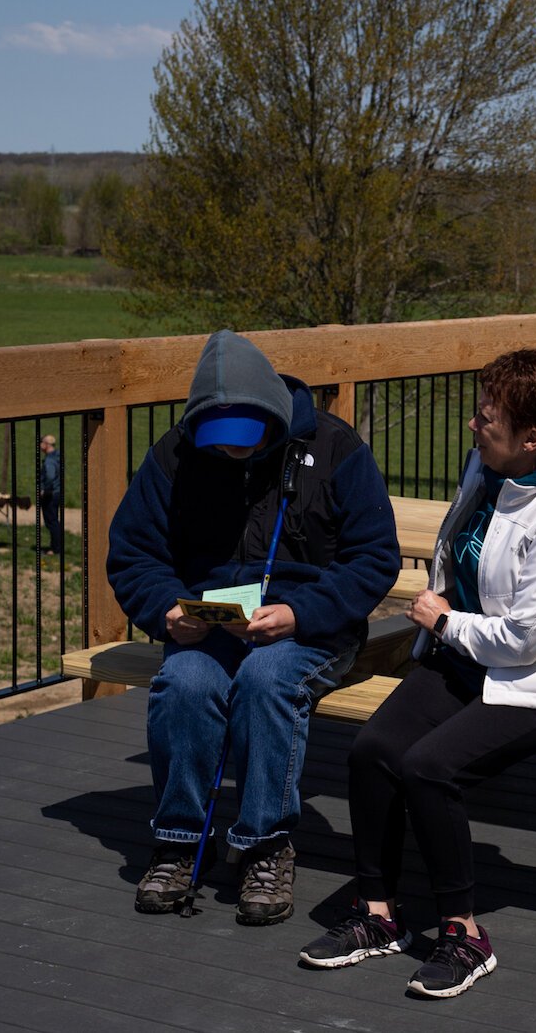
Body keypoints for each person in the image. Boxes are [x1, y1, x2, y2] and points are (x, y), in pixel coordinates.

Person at [299, 347, 536, 1001]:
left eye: (487, 421)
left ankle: (463, 935)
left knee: (428, 767)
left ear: (532, 439)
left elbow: (528, 641)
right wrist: (448, 624)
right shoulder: (491, 468)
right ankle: (378, 915)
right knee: (373, 753)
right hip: (467, 659)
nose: (473, 428)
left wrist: (444, 624)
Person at [107, 329, 400, 925]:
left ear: (273, 413)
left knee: (268, 679)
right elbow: (133, 553)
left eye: (245, 439)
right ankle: (178, 842)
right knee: (185, 684)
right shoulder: (174, 454)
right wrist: (166, 608)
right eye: (218, 441)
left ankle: (265, 845)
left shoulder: (337, 447)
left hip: (310, 624)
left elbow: (374, 558)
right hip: (209, 622)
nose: (232, 451)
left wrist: (302, 614)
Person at [38, 434, 63, 556]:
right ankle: (56, 546)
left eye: (41, 442)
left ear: (46, 444)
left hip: (50, 494)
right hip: (57, 492)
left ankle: (56, 548)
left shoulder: (49, 460)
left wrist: (44, 490)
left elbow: (50, 476)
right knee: (54, 521)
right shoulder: (57, 457)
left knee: (51, 521)